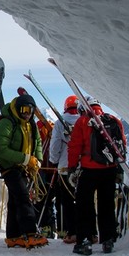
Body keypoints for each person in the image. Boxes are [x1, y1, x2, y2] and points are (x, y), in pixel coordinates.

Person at [66, 98, 126, 255]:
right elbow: (121, 145)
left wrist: (72, 168)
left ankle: (84, 241)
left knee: (84, 205)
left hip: (89, 169)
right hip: (110, 169)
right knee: (106, 204)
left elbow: (74, 147)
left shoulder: (83, 121)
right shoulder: (113, 120)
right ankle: (108, 240)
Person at [0, 94, 48, 249]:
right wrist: (26, 159)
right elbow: (2, 150)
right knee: (23, 197)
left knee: (15, 199)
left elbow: (37, 141)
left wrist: (36, 159)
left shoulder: (30, 124)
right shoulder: (6, 123)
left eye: (30, 110)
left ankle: (13, 236)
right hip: (9, 167)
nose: (27, 113)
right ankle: (30, 233)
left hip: (23, 167)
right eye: (24, 110)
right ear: (17, 109)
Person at [48, 95, 81, 244]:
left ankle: (72, 232)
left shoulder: (60, 123)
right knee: (83, 200)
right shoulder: (85, 120)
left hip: (65, 166)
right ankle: (89, 231)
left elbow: (54, 145)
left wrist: (54, 160)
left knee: (67, 201)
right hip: (84, 166)